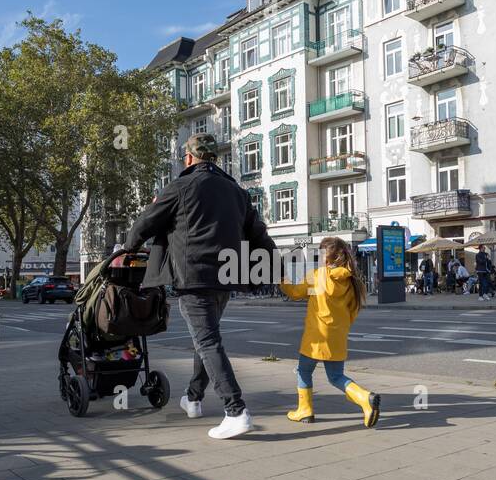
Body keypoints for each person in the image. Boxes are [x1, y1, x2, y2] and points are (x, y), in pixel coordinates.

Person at [125, 132, 276, 440]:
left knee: (207, 342)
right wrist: (274, 269)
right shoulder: (237, 192)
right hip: (226, 278)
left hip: (193, 276)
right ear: (214, 158)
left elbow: (145, 223)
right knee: (205, 340)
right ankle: (193, 398)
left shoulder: (180, 186)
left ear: (190, 158)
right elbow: (259, 235)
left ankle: (236, 411)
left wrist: (129, 248)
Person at [281, 237, 380, 428]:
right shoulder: (352, 281)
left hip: (316, 336)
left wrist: (281, 279)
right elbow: (353, 311)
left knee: (304, 370)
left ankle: (305, 410)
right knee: (336, 377)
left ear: (327, 258)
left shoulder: (318, 275)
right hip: (337, 337)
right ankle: (364, 398)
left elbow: (294, 292)